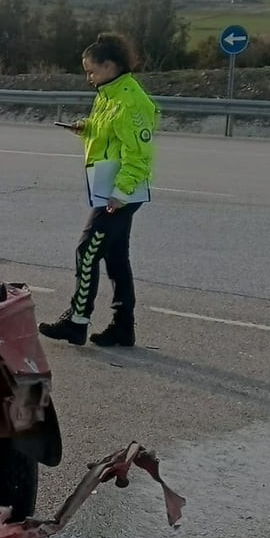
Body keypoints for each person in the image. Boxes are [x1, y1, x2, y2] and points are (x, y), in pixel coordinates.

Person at [40, 32, 158, 348]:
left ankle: (77, 320)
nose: (88, 78)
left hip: (121, 193)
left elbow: (139, 154)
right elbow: (108, 135)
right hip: (109, 187)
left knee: (87, 249)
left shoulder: (130, 100)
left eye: (92, 71)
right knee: (117, 258)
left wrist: (120, 193)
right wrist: (85, 127)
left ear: (110, 65)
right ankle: (123, 327)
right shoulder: (108, 94)